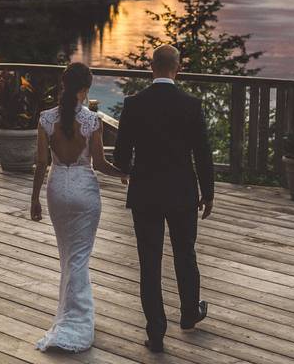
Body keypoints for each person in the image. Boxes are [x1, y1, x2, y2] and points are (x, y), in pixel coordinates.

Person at [114, 44, 214, 353]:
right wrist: (207, 193)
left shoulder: (134, 104)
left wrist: (129, 169)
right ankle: (188, 313)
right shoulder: (191, 105)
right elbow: (203, 154)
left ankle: (156, 332)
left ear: (151, 68)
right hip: (183, 193)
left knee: (149, 262)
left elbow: (120, 155)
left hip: (145, 193)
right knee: (185, 254)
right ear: (178, 69)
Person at [30, 62, 127, 353]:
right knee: (79, 257)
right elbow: (100, 164)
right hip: (85, 193)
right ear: (84, 89)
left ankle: (68, 315)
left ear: (63, 84)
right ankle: (77, 322)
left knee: (67, 256)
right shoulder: (92, 121)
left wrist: (34, 198)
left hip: (57, 189)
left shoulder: (46, 119)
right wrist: (126, 172)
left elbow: (41, 164)